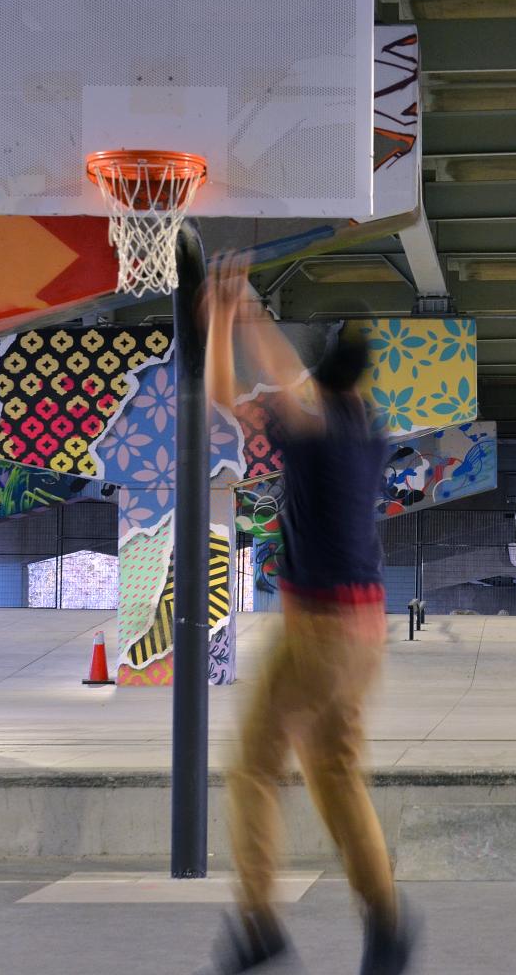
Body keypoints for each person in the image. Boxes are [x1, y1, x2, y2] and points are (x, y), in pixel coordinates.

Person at [202, 252, 414, 974]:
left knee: (255, 767)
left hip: (318, 632)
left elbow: (225, 392)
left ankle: (260, 922)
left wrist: (228, 313)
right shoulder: (366, 429)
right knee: (334, 772)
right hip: (364, 634)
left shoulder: (316, 434)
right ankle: (385, 921)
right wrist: (242, 309)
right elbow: (293, 378)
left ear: (324, 383)